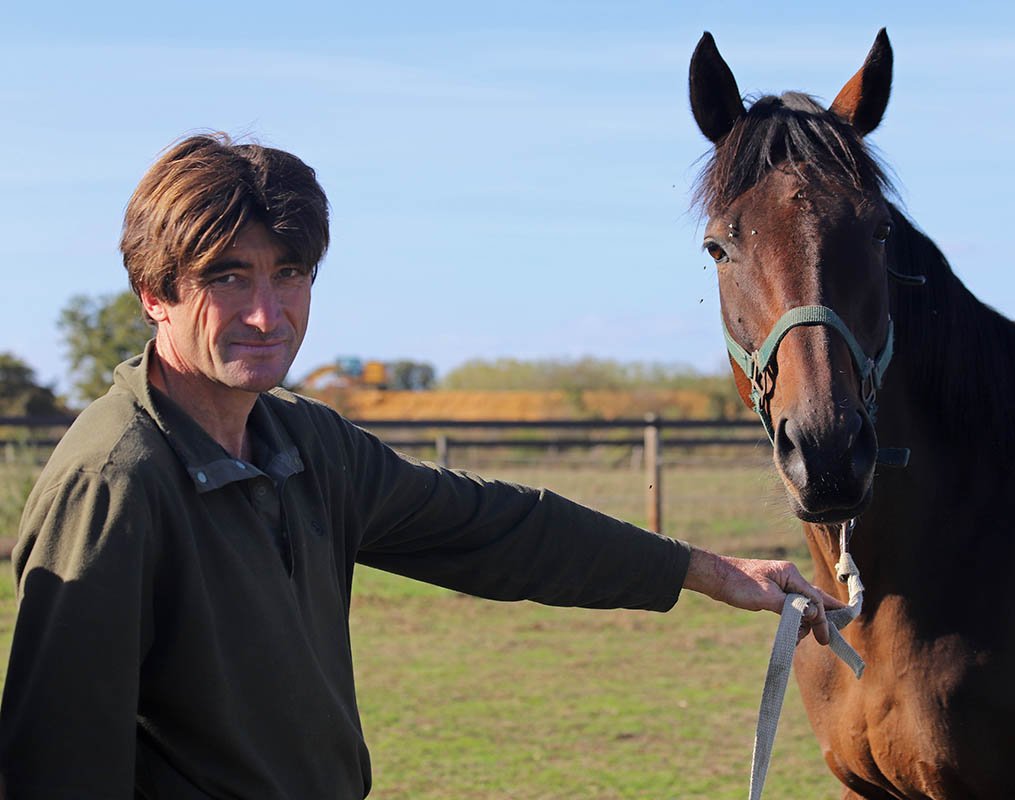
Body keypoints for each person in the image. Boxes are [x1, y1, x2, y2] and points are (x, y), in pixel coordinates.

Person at [0, 134, 840, 799]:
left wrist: (703, 570)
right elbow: (59, 762)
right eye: (227, 277)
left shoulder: (305, 444)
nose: (266, 313)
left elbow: (498, 530)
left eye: (289, 273)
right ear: (154, 294)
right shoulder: (115, 481)